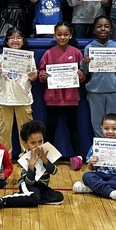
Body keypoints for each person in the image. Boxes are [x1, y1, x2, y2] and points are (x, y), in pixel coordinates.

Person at [38, 21, 86, 169]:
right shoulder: (48, 53)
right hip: (53, 99)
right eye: (59, 34)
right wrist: (43, 76)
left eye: (66, 34)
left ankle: (78, 156)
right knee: (51, 128)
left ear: (70, 35)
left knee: (73, 127)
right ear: (54, 35)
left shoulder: (77, 53)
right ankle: (47, 157)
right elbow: (41, 72)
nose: (62, 37)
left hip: (71, 98)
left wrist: (80, 75)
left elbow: (83, 75)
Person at [0, 120, 64, 211]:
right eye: (33, 143)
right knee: (34, 197)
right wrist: (31, 167)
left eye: (40, 141)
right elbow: (29, 182)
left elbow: (54, 171)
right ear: (25, 143)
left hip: (42, 186)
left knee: (59, 197)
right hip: (27, 184)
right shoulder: (25, 157)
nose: (37, 146)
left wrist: (45, 160)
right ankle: (2, 201)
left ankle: (24, 198)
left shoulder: (46, 152)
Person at [72, 113, 116, 203]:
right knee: (87, 176)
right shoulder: (96, 146)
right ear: (102, 128)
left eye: (114, 129)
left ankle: (91, 188)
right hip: (100, 175)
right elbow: (91, 168)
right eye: (106, 128)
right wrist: (91, 162)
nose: (110, 132)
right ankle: (110, 192)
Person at [0, 27, 36, 159]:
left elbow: (34, 76)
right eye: (12, 38)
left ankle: (27, 157)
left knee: (25, 130)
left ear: (23, 41)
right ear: (7, 41)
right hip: (5, 98)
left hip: (23, 98)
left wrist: (33, 75)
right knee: (4, 131)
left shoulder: (29, 57)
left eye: (18, 38)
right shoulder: (2, 57)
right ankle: (6, 157)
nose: (15, 40)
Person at [80, 15, 116, 137]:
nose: (103, 29)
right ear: (94, 30)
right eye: (99, 26)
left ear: (111, 30)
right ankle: (101, 154)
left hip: (114, 91)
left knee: (115, 126)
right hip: (95, 91)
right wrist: (84, 63)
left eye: (106, 26)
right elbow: (84, 72)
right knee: (98, 126)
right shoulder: (89, 48)